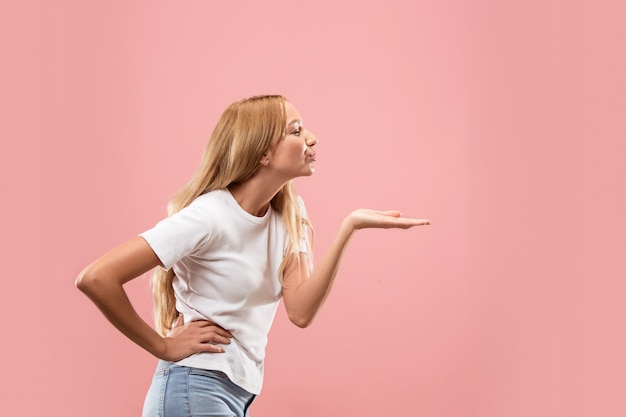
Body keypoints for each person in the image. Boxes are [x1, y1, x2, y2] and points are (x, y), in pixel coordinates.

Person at [76, 94, 430, 417]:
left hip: (235, 394)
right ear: (263, 153)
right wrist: (163, 346)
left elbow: (301, 311)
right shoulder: (210, 215)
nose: (311, 137)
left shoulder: (288, 216)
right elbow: (97, 277)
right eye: (296, 130)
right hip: (194, 386)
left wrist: (349, 227)